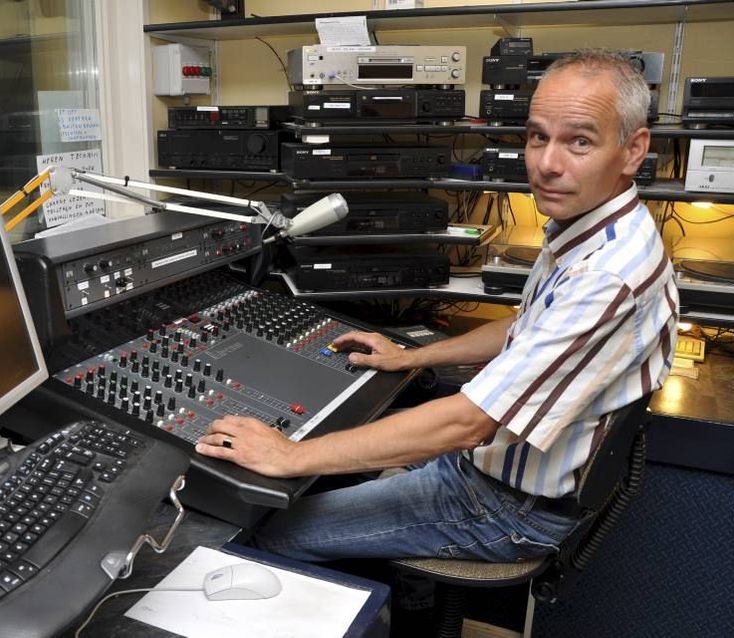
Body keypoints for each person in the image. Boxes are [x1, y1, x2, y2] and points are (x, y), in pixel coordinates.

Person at [194, 49, 679, 563]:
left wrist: (288, 454)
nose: (547, 164)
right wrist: (411, 357)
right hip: (487, 470)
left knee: (265, 537)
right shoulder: (595, 229)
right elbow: (527, 327)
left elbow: (468, 424)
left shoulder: (604, 274)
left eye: (579, 141)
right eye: (539, 136)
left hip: (503, 507)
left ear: (633, 150)